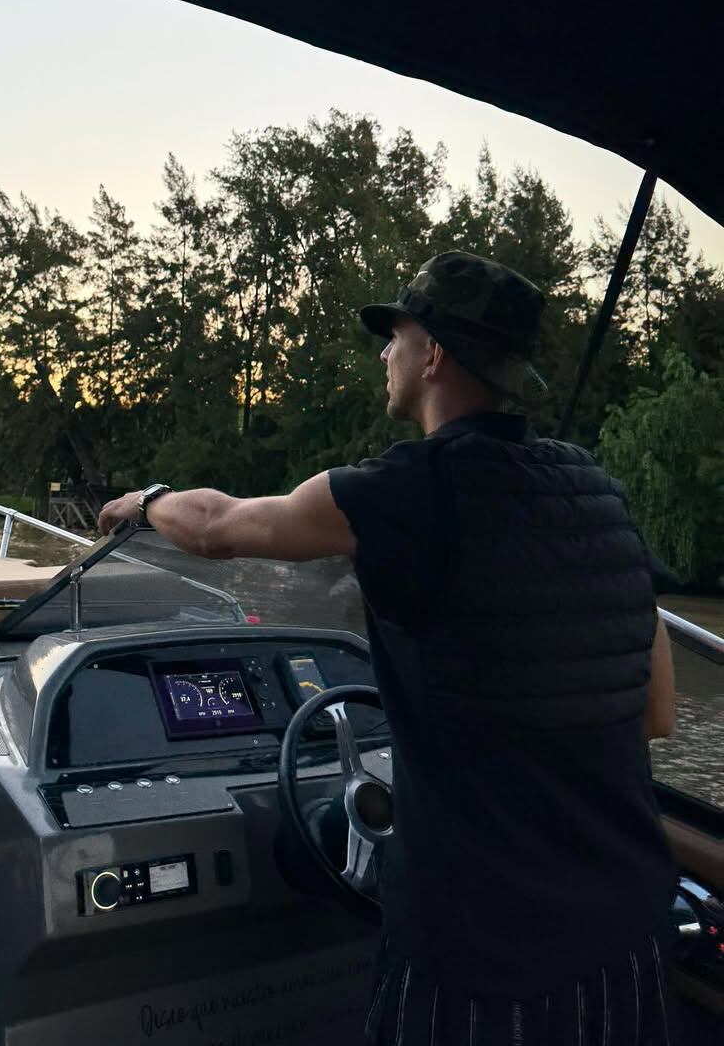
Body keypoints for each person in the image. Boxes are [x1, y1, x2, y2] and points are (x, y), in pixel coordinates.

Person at [97, 251, 679, 1044]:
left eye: (395, 336)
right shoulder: (602, 499)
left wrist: (145, 499)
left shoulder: (402, 493)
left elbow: (216, 528)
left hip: (482, 962)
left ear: (433, 355)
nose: (384, 354)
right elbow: (655, 713)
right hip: (629, 949)